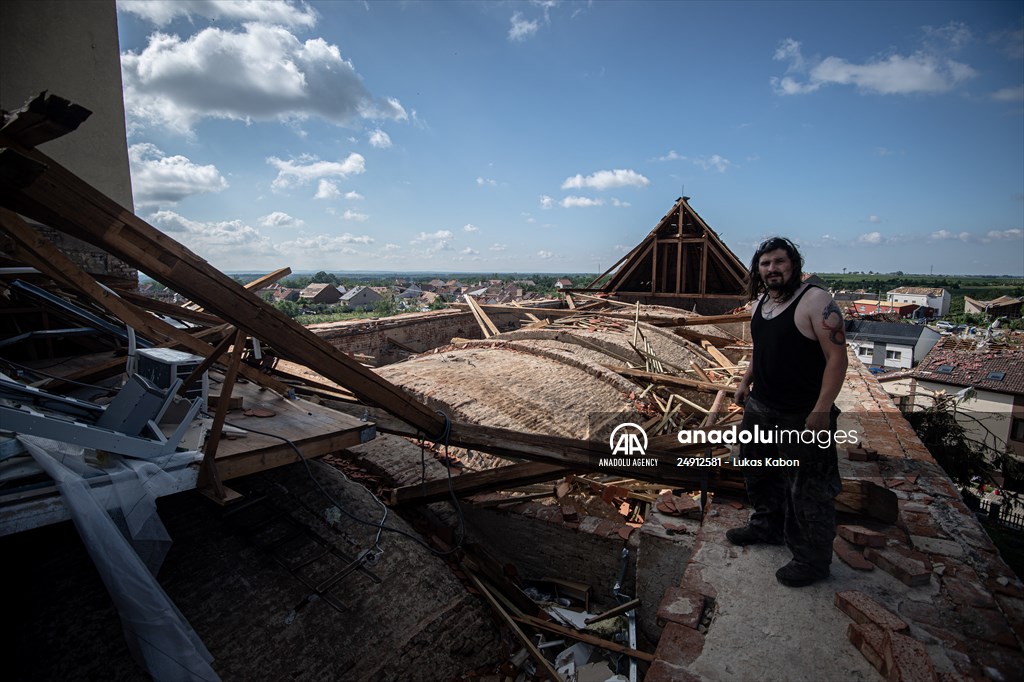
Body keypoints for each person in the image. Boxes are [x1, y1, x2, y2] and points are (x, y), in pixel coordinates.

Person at [729, 237, 848, 587]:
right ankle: (767, 526)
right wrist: (745, 382)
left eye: (779, 262)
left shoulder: (816, 301)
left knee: (808, 487)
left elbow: (837, 358)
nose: (772, 269)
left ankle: (812, 560)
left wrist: (822, 410)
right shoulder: (762, 303)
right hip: (762, 406)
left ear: (792, 264)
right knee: (758, 469)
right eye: (765, 264)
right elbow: (761, 349)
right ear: (758, 268)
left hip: (801, 413)